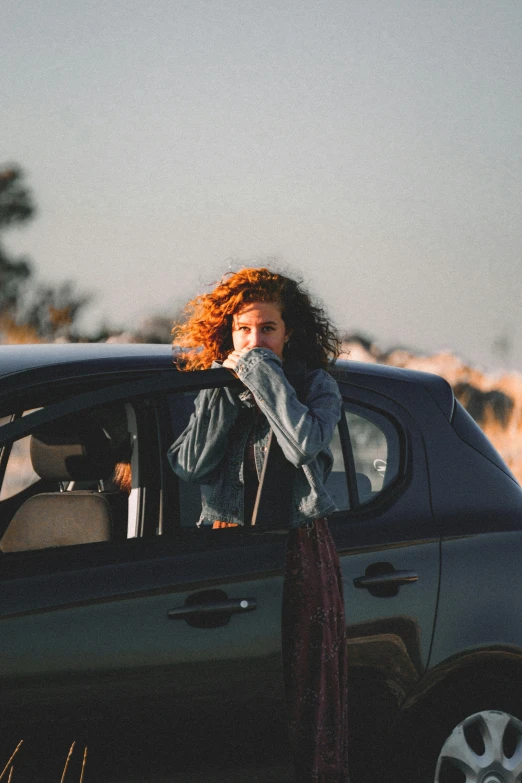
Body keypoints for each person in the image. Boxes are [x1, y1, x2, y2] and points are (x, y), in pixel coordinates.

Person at [168, 267, 349, 782]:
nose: (253, 341)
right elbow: (188, 465)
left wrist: (263, 375)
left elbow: (303, 444)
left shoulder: (316, 385)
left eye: (267, 329)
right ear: (228, 334)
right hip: (225, 545)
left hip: (297, 548)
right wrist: (228, 391)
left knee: (300, 691)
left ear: (289, 333)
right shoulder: (217, 385)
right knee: (230, 692)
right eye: (243, 331)